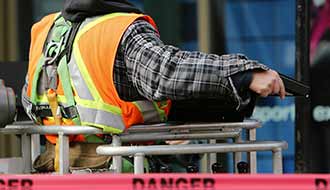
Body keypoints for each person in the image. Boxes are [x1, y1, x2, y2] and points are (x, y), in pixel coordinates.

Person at [21, 0, 286, 173]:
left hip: (56, 167)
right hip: (116, 168)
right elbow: (166, 72)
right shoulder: (121, 28)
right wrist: (244, 74)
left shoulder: (47, 28)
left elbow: (32, 100)